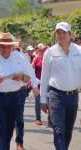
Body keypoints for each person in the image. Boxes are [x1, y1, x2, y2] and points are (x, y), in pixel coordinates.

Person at [40, 22, 81, 150]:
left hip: (73, 96)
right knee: (58, 130)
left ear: (70, 34)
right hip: (56, 96)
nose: (61, 35)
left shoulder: (79, 51)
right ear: (55, 34)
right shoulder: (50, 52)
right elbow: (44, 77)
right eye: (58, 32)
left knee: (68, 131)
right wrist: (42, 99)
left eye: (64, 32)